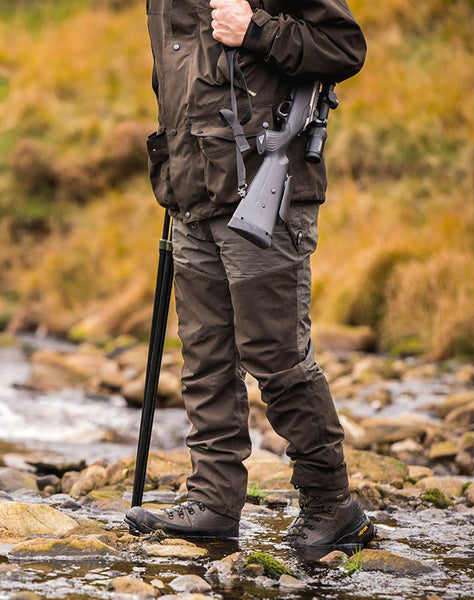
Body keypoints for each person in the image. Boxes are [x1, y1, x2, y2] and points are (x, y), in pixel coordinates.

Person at [126, 0, 374, 548]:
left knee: (275, 353)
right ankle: (213, 502)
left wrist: (256, 30)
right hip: (191, 192)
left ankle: (331, 506)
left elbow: (344, 46)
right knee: (205, 354)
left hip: (266, 190)